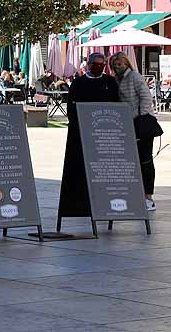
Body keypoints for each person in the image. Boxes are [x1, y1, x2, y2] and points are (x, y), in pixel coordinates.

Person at [58, 52, 120, 225]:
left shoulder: (109, 82)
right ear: (88, 65)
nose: (98, 67)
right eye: (95, 64)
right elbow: (71, 109)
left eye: (102, 65)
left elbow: (117, 106)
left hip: (105, 138)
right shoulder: (78, 83)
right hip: (81, 137)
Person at [110, 52, 159, 211]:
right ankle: (136, 194)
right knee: (132, 160)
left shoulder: (134, 77)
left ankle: (148, 197)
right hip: (128, 123)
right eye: (115, 65)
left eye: (121, 64)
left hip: (141, 123)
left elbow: (146, 98)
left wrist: (138, 116)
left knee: (145, 160)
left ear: (127, 64)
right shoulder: (117, 80)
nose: (118, 67)